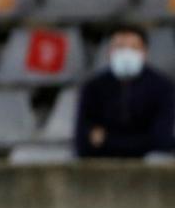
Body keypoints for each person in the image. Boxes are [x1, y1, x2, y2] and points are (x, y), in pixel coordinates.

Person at [75, 26, 175, 159]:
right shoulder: (93, 87)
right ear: (110, 52)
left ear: (144, 52)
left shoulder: (163, 87)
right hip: (103, 165)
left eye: (133, 48)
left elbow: (161, 141)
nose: (126, 53)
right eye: (120, 47)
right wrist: (141, 140)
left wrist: (106, 140)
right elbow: (83, 142)